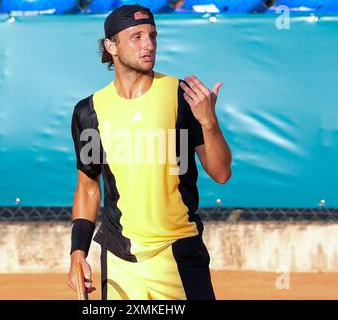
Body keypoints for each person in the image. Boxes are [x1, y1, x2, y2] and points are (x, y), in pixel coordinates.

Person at [68, 4, 232, 300]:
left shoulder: (183, 97)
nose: (149, 44)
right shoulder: (89, 112)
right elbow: (88, 187)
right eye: (137, 36)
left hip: (178, 254)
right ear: (111, 46)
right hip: (119, 260)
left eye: (153, 35)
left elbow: (221, 173)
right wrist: (78, 252)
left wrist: (209, 122)